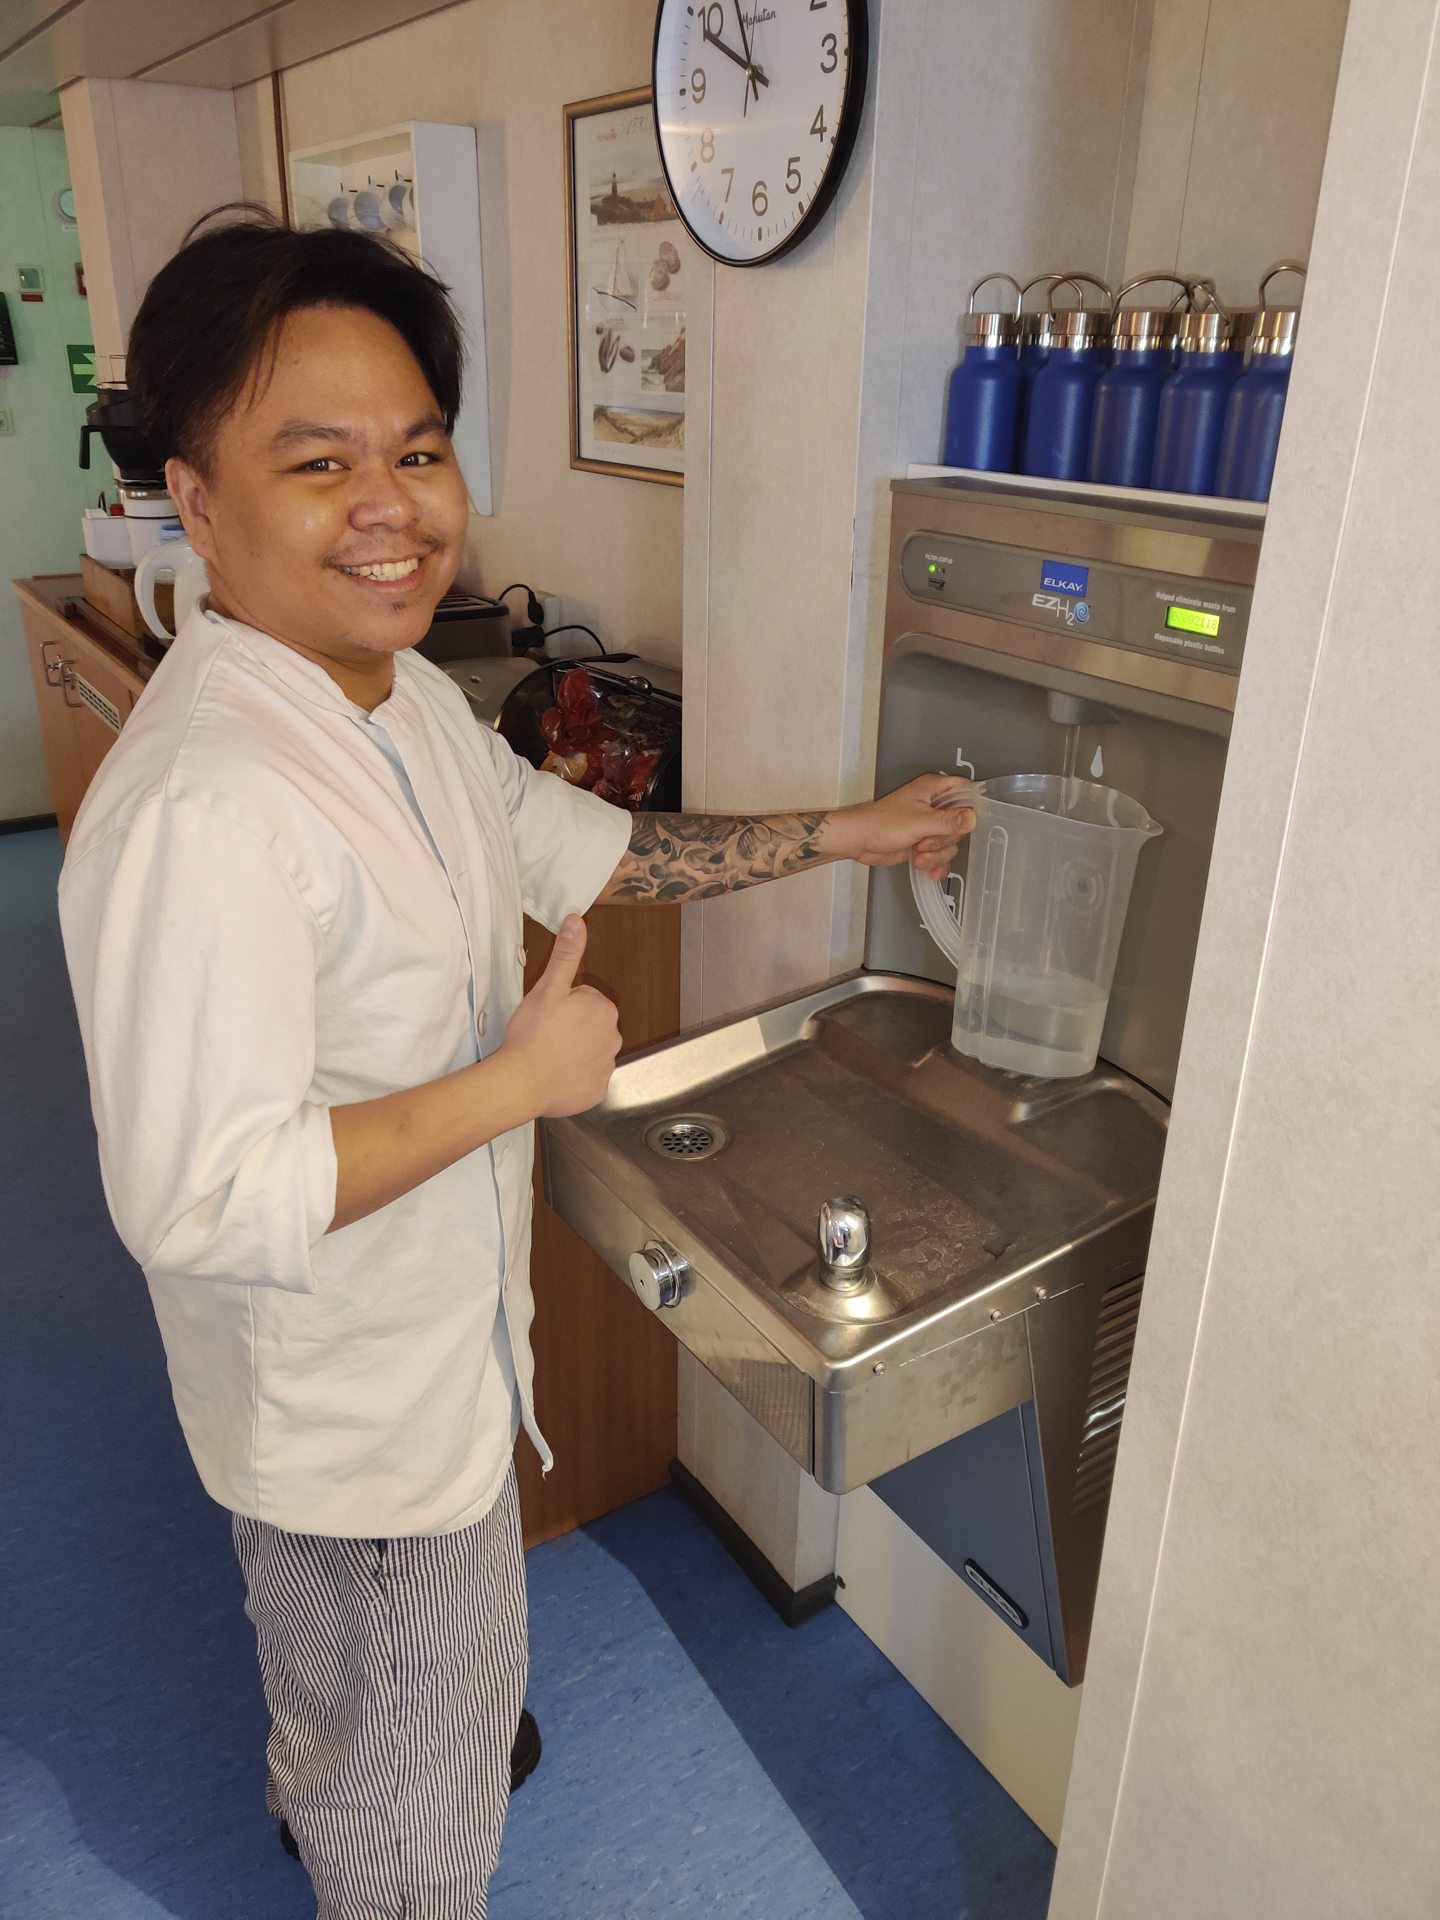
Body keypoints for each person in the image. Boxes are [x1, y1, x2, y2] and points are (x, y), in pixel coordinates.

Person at [57, 210, 974, 1920]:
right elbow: (198, 1195)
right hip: (358, 1412)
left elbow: (594, 848)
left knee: (342, 1674)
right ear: (194, 498)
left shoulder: (394, 699)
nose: (391, 505)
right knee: (420, 1825)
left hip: (420, 1356)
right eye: (315, 462)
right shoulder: (208, 807)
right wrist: (520, 1076)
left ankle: (336, 1771)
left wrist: (852, 832)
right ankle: (388, 1830)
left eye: (415, 447)